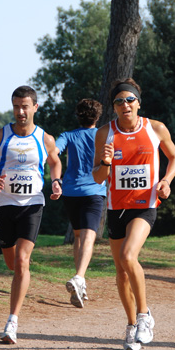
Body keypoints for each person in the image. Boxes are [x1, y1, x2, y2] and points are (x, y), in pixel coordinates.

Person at [93, 78, 175, 350]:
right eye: (119, 101)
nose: (125, 105)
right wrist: (106, 161)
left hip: (145, 204)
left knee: (128, 256)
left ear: (138, 103)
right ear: (114, 107)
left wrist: (166, 181)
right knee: (121, 272)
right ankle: (131, 325)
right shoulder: (105, 133)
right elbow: (98, 177)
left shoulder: (155, 128)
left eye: (129, 100)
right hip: (117, 207)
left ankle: (144, 316)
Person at [0, 85, 62, 344]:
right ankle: (21, 280)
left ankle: (12, 322)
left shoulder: (44, 138)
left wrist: (56, 181)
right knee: (13, 264)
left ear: (35, 107)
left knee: (23, 261)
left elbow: (55, 160)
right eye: (16, 106)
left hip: (32, 204)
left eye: (25, 106)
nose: (20, 112)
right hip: (5, 205)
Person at [55, 99, 107, 308]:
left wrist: (55, 178)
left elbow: (54, 152)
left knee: (78, 235)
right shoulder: (103, 136)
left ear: (78, 116)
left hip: (70, 191)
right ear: (97, 117)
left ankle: (80, 282)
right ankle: (79, 277)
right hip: (94, 191)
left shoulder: (67, 136)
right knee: (88, 236)